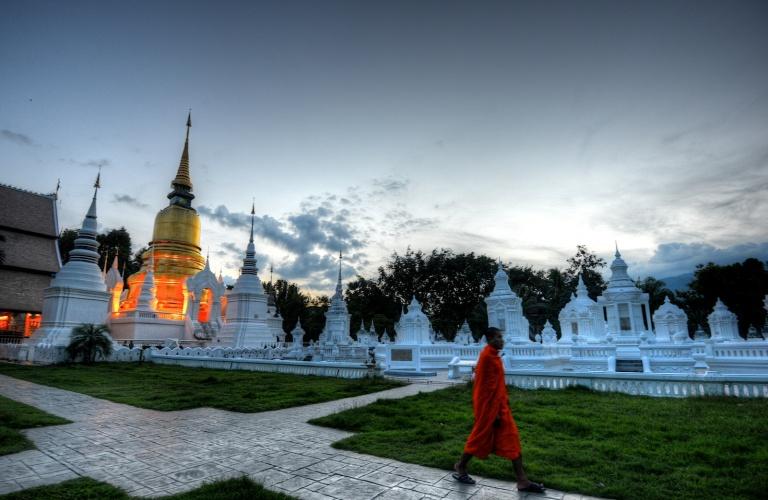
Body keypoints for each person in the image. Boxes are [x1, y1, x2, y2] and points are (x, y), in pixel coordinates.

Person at [453, 327, 545, 493]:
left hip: (499, 407)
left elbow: (495, 385)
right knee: (480, 438)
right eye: (498, 337)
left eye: (501, 337)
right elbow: (485, 388)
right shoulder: (487, 357)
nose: (501, 340)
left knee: (509, 439)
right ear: (490, 339)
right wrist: (493, 412)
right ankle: (461, 466)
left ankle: (522, 480)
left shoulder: (493, 355)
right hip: (490, 409)